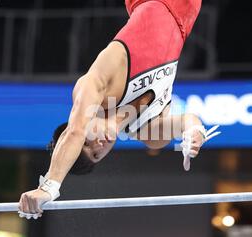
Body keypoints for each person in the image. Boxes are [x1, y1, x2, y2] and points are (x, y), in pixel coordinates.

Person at [18, 0, 220, 219]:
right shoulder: (149, 132)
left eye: (86, 141)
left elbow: (73, 132)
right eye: (96, 155)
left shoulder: (96, 88)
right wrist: (194, 132)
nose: (98, 145)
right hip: (186, 13)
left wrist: (49, 186)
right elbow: (188, 120)